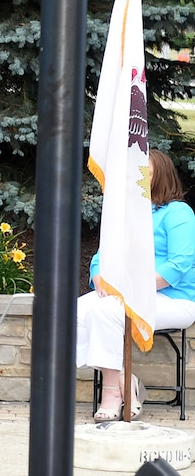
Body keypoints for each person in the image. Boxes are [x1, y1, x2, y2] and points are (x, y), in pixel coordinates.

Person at [77, 149, 195, 422]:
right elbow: (100, 256)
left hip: (174, 298)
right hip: (124, 294)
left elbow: (178, 264)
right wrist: (98, 278)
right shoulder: (126, 214)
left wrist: (132, 290)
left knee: (106, 311)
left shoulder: (178, 213)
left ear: (160, 176)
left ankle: (111, 395)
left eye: (145, 173)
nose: (137, 179)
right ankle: (125, 381)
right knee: (73, 312)